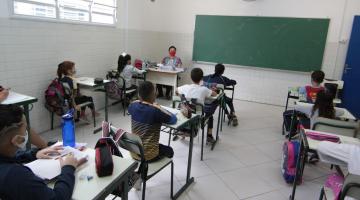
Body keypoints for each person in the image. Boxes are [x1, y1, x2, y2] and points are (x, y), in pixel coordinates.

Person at [0, 104, 86, 200]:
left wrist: (34, 154)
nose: (27, 131)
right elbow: (58, 198)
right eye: (25, 129)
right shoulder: (16, 175)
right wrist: (68, 168)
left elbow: (8, 158)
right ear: (17, 140)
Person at [128, 81, 177, 162]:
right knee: (170, 151)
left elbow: (131, 110)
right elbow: (173, 119)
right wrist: (159, 107)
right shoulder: (155, 110)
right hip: (149, 155)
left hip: (134, 151)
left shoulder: (133, 105)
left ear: (139, 95)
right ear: (153, 95)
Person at [177, 68, 218, 144]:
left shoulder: (185, 87)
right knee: (210, 116)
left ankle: (183, 132)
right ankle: (209, 136)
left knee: (187, 106)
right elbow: (214, 94)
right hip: (197, 118)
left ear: (191, 77)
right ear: (202, 78)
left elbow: (176, 91)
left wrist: (184, 98)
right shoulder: (204, 89)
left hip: (184, 115)